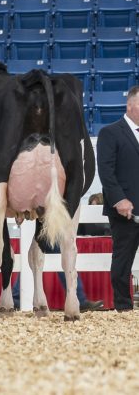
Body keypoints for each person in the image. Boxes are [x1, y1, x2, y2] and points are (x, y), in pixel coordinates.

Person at [97, 85, 139, 312]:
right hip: (125, 211)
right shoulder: (110, 132)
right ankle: (123, 308)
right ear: (130, 105)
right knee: (123, 261)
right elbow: (106, 171)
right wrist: (119, 200)